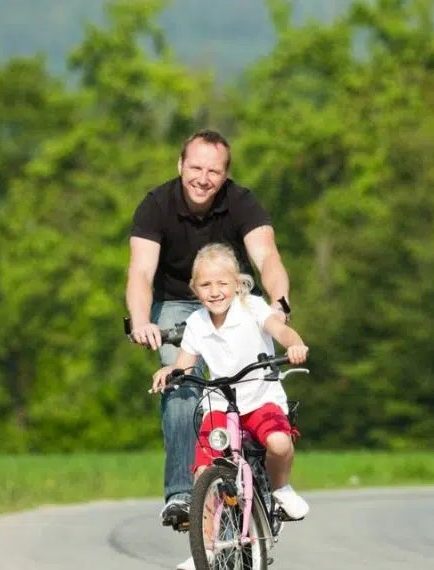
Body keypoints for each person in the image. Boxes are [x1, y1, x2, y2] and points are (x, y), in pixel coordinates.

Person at [126, 129, 292, 530]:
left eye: (213, 171)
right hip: (176, 303)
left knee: (252, 379)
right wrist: (142, 320)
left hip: (232, 297)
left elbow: (266, 255)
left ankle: (265, 475)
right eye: (196, 167)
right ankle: (183, 495)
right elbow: (141, 271)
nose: (203, 178)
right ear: (180, 165)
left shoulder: (241, 202)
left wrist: (279, 301)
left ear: (225, 175)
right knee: (183, 386)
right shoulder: (156, 205)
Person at [151, 243, 309, 570]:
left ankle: (281, 488)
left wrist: (294, 344)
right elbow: (185, 361)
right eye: (206, 285)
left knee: (279, 443)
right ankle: (207, 545)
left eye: (222, 283)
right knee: (203, 471)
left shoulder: (253, 307)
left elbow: (278, 328)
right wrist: (172, 371)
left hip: (260, 396)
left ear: (237, 283)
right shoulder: (196, 322)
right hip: (221, 401)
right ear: (195, 289)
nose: (215, 291)